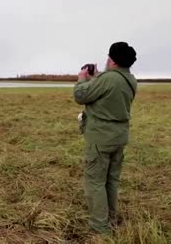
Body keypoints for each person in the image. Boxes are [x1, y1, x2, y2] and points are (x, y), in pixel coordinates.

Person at [73, 42, 138, 235]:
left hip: (101, 138)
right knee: (111, 180)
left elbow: (80, 95)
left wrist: (82, 79)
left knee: (95, 181)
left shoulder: (109, 78)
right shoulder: (129, 79)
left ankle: (100, 228)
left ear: (113, 60)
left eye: (109, 57)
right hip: (119, 136)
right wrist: (97, 77)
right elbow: (106, 92)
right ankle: (110, 220)